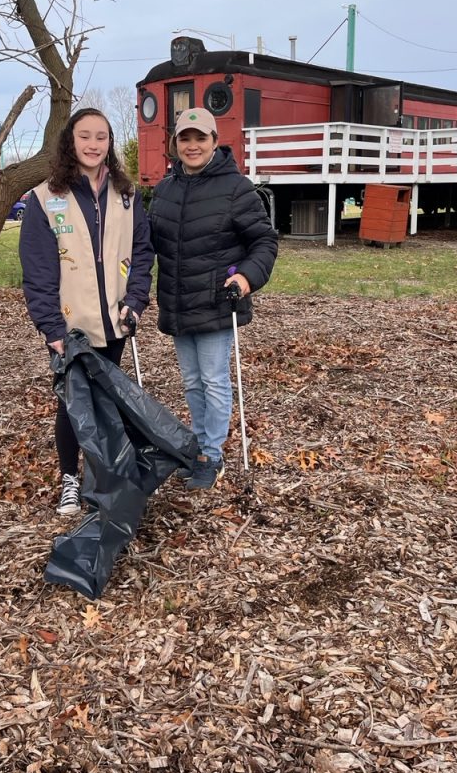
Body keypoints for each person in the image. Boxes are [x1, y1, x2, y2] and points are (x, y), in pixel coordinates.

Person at [19, 107, 154, 515]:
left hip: (114, 321)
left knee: (108, 404)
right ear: (70, 142)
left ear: (109, 143)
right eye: (85, 136)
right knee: (73, 404)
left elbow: (142, 253)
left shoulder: (126, 195)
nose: (93, 144)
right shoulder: (46, 198)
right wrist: (51, 327)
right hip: (70, 326)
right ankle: (70, 481)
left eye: (101, 137)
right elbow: (38, 271)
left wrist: (136, 302)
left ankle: (104, 477)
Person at [149, 107, 278, 490]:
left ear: (214, 142)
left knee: (214, 380)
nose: (192, 146)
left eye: (200, 138)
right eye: (184, 139)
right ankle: (200, 447)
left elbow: (264, 241)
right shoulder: (165, 189)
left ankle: (212, 455)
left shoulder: (236, 188)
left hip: (217, 301)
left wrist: (246, 278)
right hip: (177, 302)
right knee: (191, 382)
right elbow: (149, 243)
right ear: (175, 144)